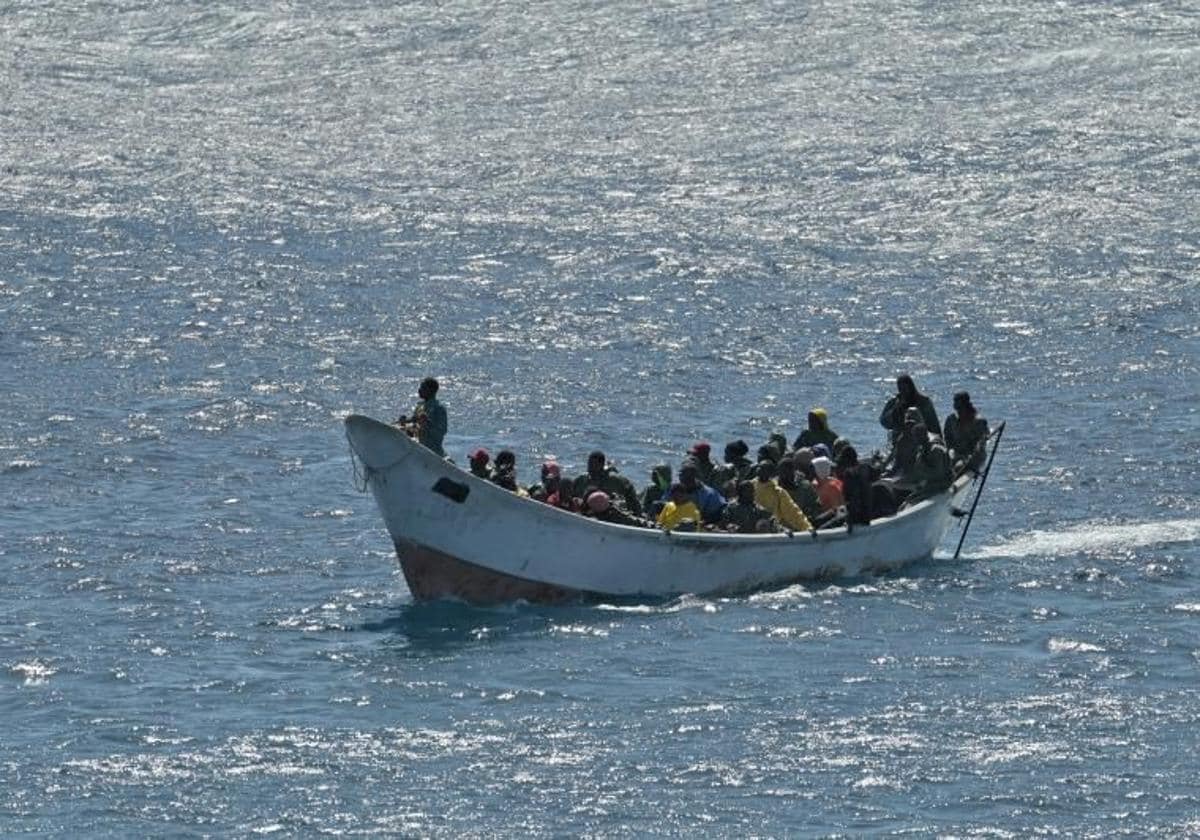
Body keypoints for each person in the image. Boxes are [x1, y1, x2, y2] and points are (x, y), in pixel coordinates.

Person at [573, 450, 643, 517]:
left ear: (601, 465)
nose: (589, 468)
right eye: (589, 464)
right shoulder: (581, 480)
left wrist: (636, 512)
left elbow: (629, 490)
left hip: (607, 513)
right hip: (585, 512)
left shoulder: (613, 480)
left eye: (593, 465)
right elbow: (571, 494)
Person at [751, 461, 812, 532]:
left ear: (771, 473)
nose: (759, 469)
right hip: (751, 525)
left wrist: (807, 527)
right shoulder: (749, 486)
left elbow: (792, 510)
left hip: (771, 527)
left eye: (763, 468)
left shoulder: (777, 491)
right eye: (759, 467)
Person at [879, 374, 939, 444]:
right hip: (900, 440)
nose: (903, 392)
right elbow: (884, 422)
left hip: (921, 439)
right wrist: (895, 409)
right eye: (900, 389)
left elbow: (934, 424)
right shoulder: (894, 402)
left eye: (905, 389)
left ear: (911, 387)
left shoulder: (923, 402)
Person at [397, 377, 448, 456]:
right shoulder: (420, 407)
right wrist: (404, 423)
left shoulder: (439, 409)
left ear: (431, 390)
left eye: (423, 388)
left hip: (433, 452)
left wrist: (427, 422)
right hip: (418, 448)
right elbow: (413, 429)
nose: (419, 390)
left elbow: (441, 432)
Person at [943, 391, 990, 473]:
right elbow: (948, 439)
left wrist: (971, 457)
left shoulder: (978, 421)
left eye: (960, 406)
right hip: (956, 454)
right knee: (943, 466)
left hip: (973, 457)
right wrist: (950, 452)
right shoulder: (951, 420)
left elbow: (981, 444)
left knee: (958, 467)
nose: (958, 410)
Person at [777, 456, 823, 523]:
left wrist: (810, 513)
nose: (783, 475)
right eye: (781, 472)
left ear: (793, 470)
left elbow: (817, 505)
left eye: (786, 471)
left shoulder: (805, 486)